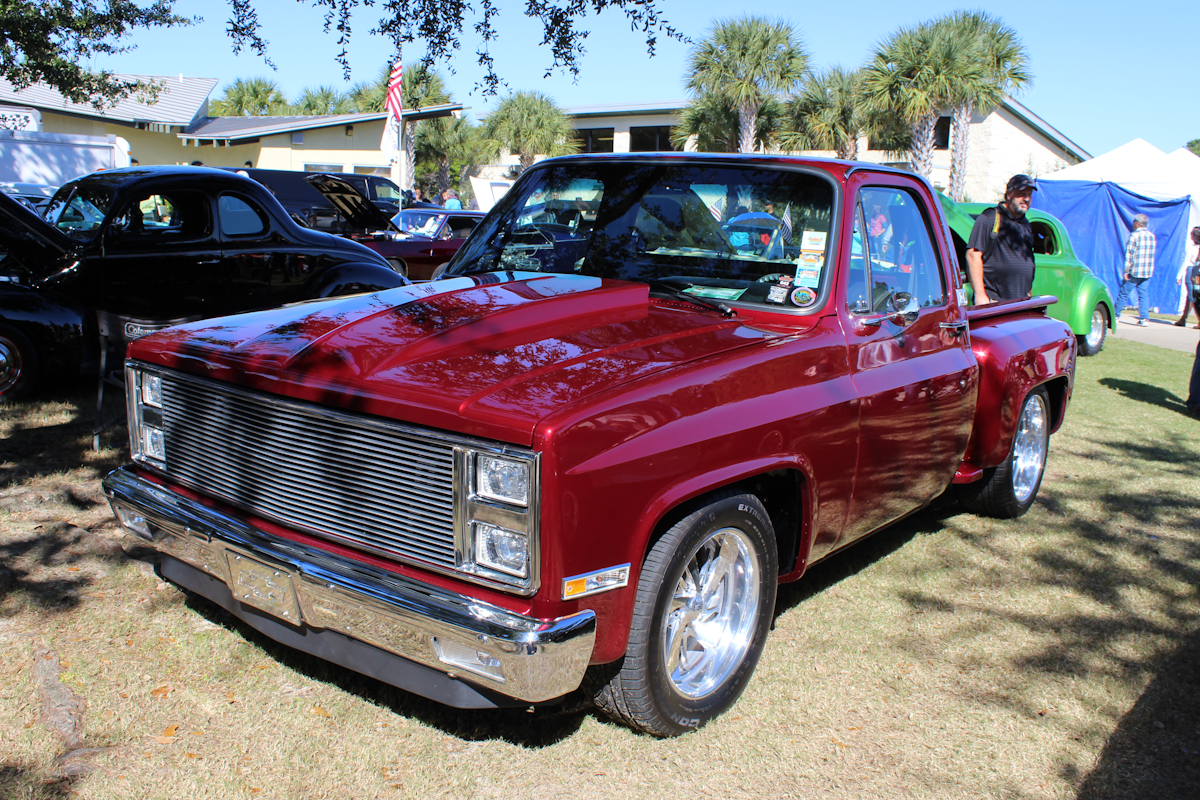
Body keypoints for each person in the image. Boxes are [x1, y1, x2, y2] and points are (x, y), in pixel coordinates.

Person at [966, 174, 1037, 304]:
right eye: (1021, 194)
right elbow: (973, 255)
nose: (1026, 199)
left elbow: (1026, 262)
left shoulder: (1025, 224)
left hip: (1020, 302)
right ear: (1009, 194)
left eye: (1029, 195)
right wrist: (980, 295)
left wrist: (1028, 293)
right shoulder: (991, 217)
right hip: (994, 302)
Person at [1114, 213, 1157, 327]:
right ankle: (1144, 319)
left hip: (1135, 271)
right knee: (1143, 295)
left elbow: (1129, 255)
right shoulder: (1151, 236)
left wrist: (1126, 271)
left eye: (1134, 221)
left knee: (1124, 293)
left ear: (1138, 223)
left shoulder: (1134, 236)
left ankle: (1116, 315)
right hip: (1147, 271)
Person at [1175, 226, 1200, 328]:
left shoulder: (1192, 248)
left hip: (1192, 271)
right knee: (1190, 296)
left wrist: (1179, 275)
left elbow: (1186, 262)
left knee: (1192, 297)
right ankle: (1183, 318)